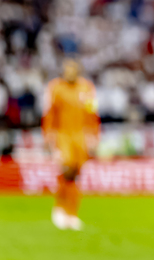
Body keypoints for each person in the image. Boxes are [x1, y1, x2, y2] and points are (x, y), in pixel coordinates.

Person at [42, 58, 100, 230]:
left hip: (80, 135)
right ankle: (60, 208)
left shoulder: (87, 88)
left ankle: (72, 213)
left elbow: (92, 113)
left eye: (73, 69)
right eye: (67, 69)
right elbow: (50, 113)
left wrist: (95, 135)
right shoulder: (56, 88)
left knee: (76, 173)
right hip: (63, 135)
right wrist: (48, 135)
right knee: (66, 169)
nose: (70, 72)